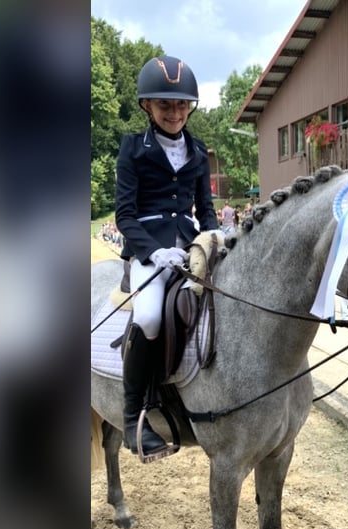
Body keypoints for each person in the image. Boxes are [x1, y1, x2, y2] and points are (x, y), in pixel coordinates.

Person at [115, 55, 219, 456]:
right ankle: (131, 419)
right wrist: (154, 251)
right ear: (147, 106)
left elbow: (205, 207)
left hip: (191, 245)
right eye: (165, 105)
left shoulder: (197, 150)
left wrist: (214, 234)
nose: (175, 112)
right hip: (151, 250)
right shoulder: (132, 149)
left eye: (181, 105)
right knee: (150, 316)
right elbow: (124, 213)